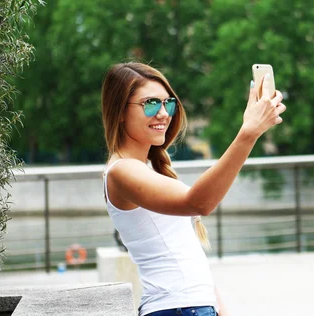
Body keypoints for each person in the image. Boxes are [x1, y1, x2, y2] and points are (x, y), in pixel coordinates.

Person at [100, 62, 286, 316]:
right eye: (151, 104)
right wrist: (248, 133)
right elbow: (198, 202)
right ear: (120, 111)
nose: (164, 113)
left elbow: (185, 253)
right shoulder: (122, 171)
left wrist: (219, 307)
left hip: (191, 307)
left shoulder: (145, 171)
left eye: (169, 103)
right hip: (177, 309)